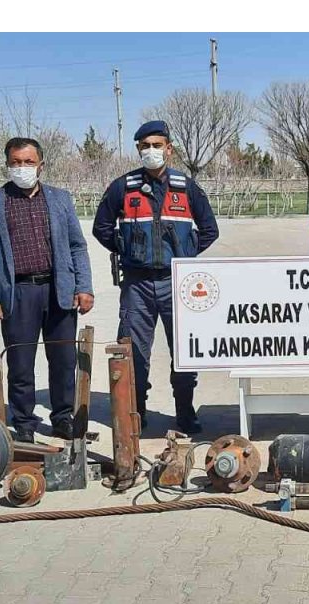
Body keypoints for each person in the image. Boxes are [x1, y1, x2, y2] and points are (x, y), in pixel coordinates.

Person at [92, 120, 219, 433]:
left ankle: (185, 411)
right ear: (138, 149)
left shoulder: (186, 186)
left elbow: (210, 230)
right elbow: (102, 227)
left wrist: (185, 255)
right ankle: (138, 412)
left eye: (157, 145)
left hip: (178, 283)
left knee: (185, 351)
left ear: (169, 148)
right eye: (145, 145)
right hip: (137, 283)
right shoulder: (123, 187)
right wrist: (127, 250)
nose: (151, 151)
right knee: (134, 351)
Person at [0, 137, 94, 443]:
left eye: (28, 162)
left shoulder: (60, 199)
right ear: (7, 165)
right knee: (21, 363)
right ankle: (24, 424)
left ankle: (62, 419)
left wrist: (84, 286)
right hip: (18, 292)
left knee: (64, 360)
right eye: (15, 162)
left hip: (58, 290)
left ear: (41, 165)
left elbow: (78, 246)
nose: (22, 168)